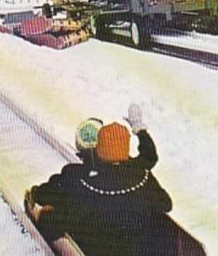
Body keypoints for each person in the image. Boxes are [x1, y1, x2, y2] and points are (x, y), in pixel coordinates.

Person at [29, 105, 173, 255]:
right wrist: (140, 129)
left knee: (51, 219)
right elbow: (166, 203)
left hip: (101, 246)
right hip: (142, 247)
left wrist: (41, 208)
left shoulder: (81, 179)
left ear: (100, 148)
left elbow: (46, 198)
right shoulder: (141, 172)